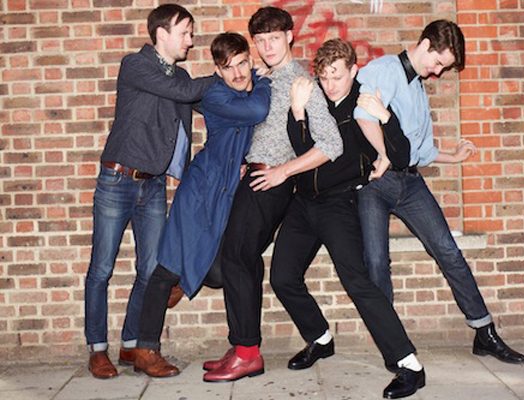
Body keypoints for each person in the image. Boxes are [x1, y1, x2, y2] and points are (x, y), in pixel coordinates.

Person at [354, 19, 524, 365]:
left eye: (442, 67)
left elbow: (421, 152)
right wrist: (385, 155)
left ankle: (484, 332)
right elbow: (364, 114)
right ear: (424, 44)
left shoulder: (418, 87)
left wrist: (454, 157)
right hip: (376, 184)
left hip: (410, 182)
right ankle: (394, 347)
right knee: (376, 262)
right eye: (437, 62)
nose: (437, 72)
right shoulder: (385, 70)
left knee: (448, 250)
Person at [270, 38, 427, 399]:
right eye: (324, 77)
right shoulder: (315, 98)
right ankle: (320, 338)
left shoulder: (363, 102)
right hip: (303, 202)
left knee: (358, 281)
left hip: (340, 204)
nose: (330, 85)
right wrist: (297, 111)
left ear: (353, 70)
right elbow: (301, 147)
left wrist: (385, 118)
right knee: (282, 277)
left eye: (337, 76)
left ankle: (409, 365)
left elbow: (401, 155)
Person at [202, 6, 343, 383]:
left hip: (271, 182)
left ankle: (247, 353)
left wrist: (283, 170)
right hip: (253, 177)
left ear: (289, 37)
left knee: (237, 257)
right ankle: (242, 345)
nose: (267, 47)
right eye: (260, 40)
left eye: (274, 39)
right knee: (237, 258)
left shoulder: (301, 82)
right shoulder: (263, 77)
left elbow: (332, 144)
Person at [84, 3, 216, 379]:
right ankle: (97, 349)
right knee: (102, 268)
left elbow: (200, 101)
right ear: (161, 34)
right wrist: (224, 74)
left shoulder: (182, 76)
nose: (191, 40)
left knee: (151, 270)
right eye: (185, 33)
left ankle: (132, 344)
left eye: (191, 33)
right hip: (117, 181)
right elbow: (183, 90)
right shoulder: (135, 65)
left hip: (153, 185)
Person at [130, 32, 272, 378]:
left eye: (243, 63)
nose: (238, 73)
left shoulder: (246, 89)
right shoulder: (217, 94)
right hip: (200, 191)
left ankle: (187, 279)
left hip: (228, 194)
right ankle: (145, 348)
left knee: (221, 272)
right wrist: (266, 81)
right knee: (166, 267)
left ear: (249, 60)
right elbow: (258, 110)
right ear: (218, 71)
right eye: (229, 67)